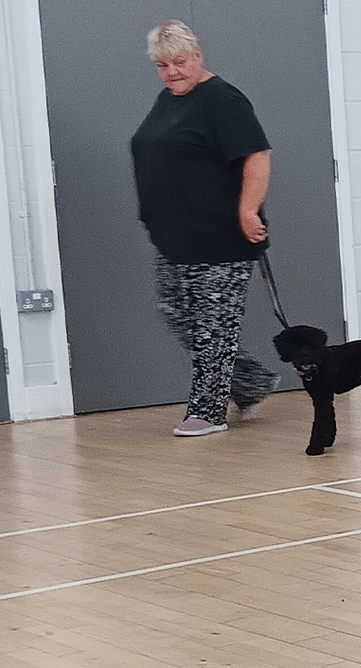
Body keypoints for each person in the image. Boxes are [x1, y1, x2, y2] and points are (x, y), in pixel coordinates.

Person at [130, 20, 279, 437]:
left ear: (197, 56)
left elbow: (257, 156)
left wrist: (249, 211)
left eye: (179, 61)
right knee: (178, 315)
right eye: (162, 65)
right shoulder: (169, 99)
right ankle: (250, 382)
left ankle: (208, 411)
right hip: (175, 236)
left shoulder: (222, 100)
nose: (172, 71)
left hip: (220, 235)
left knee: (214, 326)